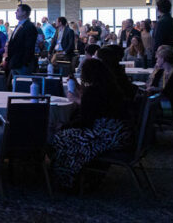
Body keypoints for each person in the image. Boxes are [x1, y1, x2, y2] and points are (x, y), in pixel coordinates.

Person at [52, 58, 131, 189]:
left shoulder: (92, 92)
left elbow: (85, 121)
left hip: (106, 136)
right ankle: (82, 173)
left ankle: (67, 177)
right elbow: (94, 109)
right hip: (121, 132)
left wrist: (63, 125)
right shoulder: (110, 88)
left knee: (62, 137)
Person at [146, 45, 173, 116]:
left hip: (169, 107)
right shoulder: (160, 72)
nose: (156, 60)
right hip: (161, 101)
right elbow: (152, 86)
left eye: (158, 58)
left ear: (163, 59)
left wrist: (158, 89)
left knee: (141, 108)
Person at [3, 3, 38, 76]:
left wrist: (25, 62)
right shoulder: (18, 26)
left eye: (18, 10)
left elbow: (29, 46)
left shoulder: (29, 26)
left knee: (23, 84)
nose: (15, 12)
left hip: (22, 63)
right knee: (16, 85)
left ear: (24, 13)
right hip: (15, 62)